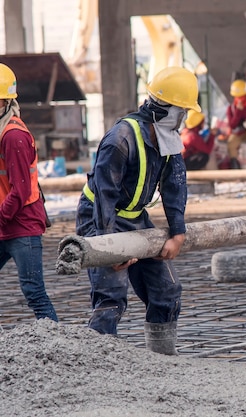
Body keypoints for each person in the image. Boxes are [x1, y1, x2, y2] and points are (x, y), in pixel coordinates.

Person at [75, 66, 201, 355]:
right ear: (166, 109)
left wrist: (177, 233)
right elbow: (104, 197)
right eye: (182, 111)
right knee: (111, 297)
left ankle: (161, 358)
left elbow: (175, 186)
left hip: (135, 218)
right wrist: (109, 249)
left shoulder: (168, 139)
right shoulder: (121, 139)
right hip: (100, 217)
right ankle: (98, 360)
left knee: (166, 290)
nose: (184, 119)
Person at [0, 63, 58, 322]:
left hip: (21, 225)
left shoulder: (13, 137)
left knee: (34, 292)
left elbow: (21, 190)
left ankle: (57, 347)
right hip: (5, 223)